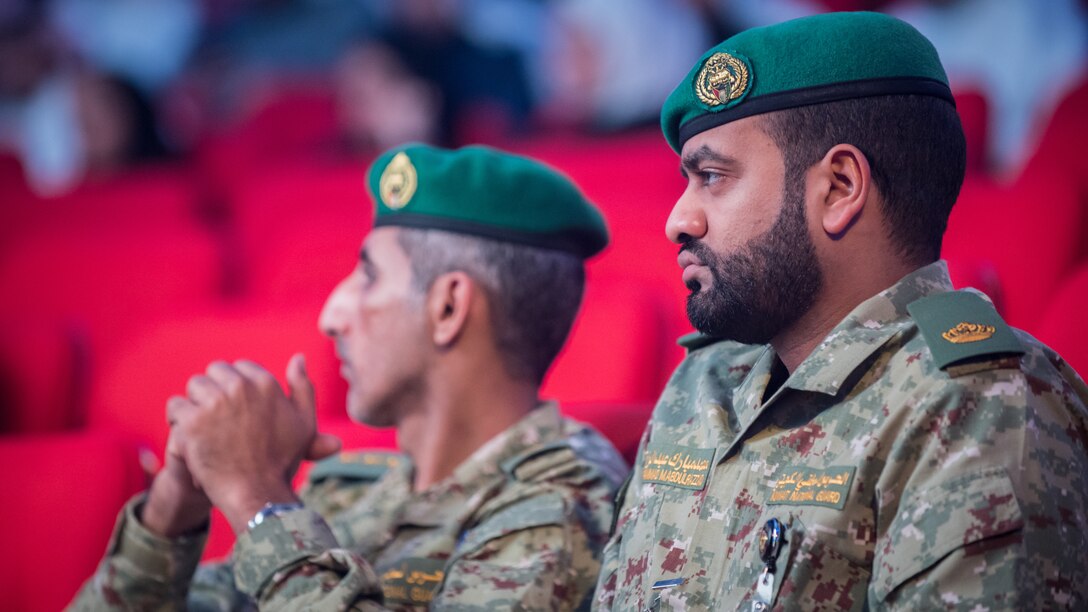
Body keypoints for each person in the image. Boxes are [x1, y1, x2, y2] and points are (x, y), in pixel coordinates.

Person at [594, 11, 1088, 610]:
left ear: (839, 188)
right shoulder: (705, 379)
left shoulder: (979, 406)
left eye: (713, 177)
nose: (678, 220)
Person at [70, 144, 628, 610]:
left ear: (448, 307)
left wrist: (259, 501)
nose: (331, 316)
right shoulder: (345, 489)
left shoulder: (560, 507)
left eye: (368, 277)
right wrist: (172, 513)